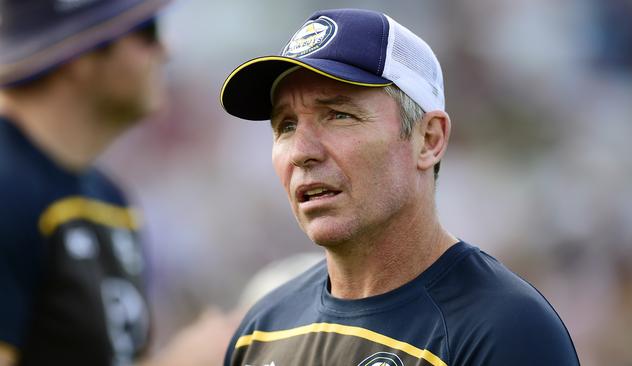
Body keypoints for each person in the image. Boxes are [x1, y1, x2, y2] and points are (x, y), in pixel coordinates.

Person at [219, 8, 580, 365]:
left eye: (339, 115)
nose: (301, 152)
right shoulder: (262, 330)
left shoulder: (505, 330)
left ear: (429, 139)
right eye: (285, 125)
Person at [0, 1, 228, 365]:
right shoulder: (8, 190)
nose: (168, 49)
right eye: (147, 30)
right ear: (78, 54)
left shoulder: (109, 197)